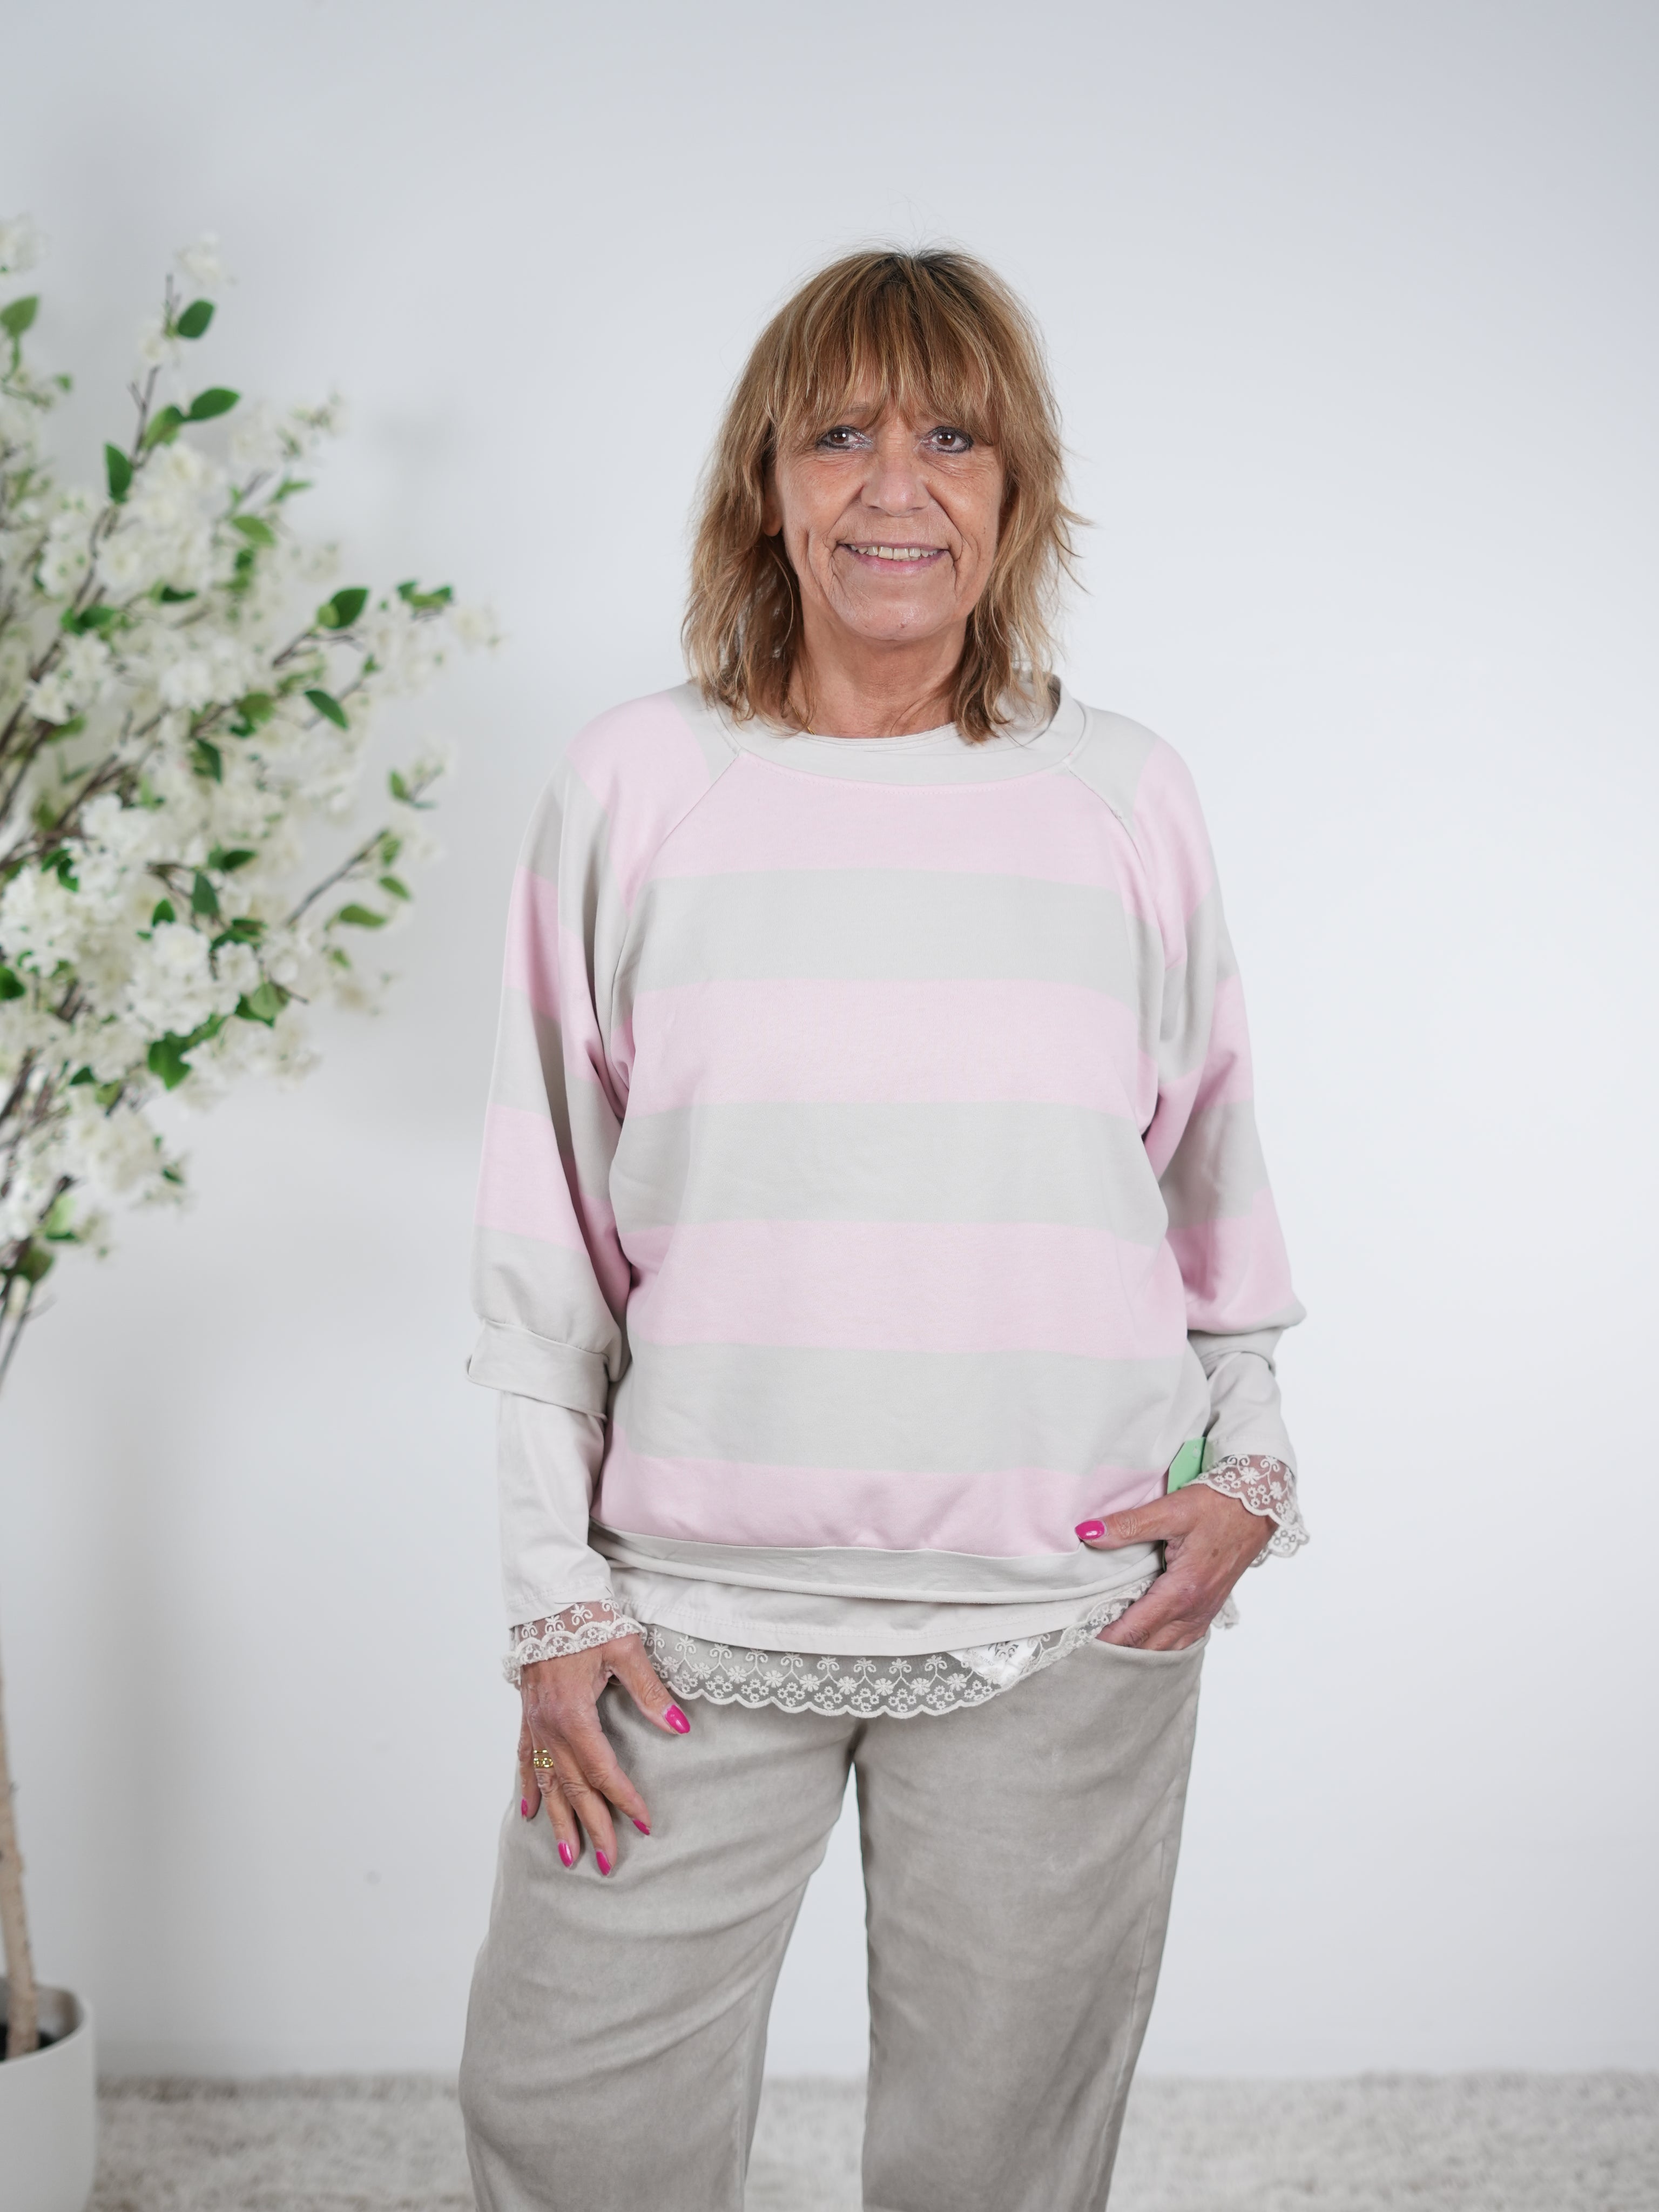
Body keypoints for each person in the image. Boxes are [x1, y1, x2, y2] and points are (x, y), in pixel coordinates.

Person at [457, 247, 1306, 2212]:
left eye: (952, 440)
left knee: (998, 2167)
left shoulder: (1124, 794)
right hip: (680, 1625)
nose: (895, 487)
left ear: (1019, 493)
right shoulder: (638, 786)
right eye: (840, 436)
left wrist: (1250, 1472)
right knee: (572, 2122)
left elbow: (1208, 1184)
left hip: (1067, 1613)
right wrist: (551, 1598)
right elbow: (543, 1235)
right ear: (767, 484)